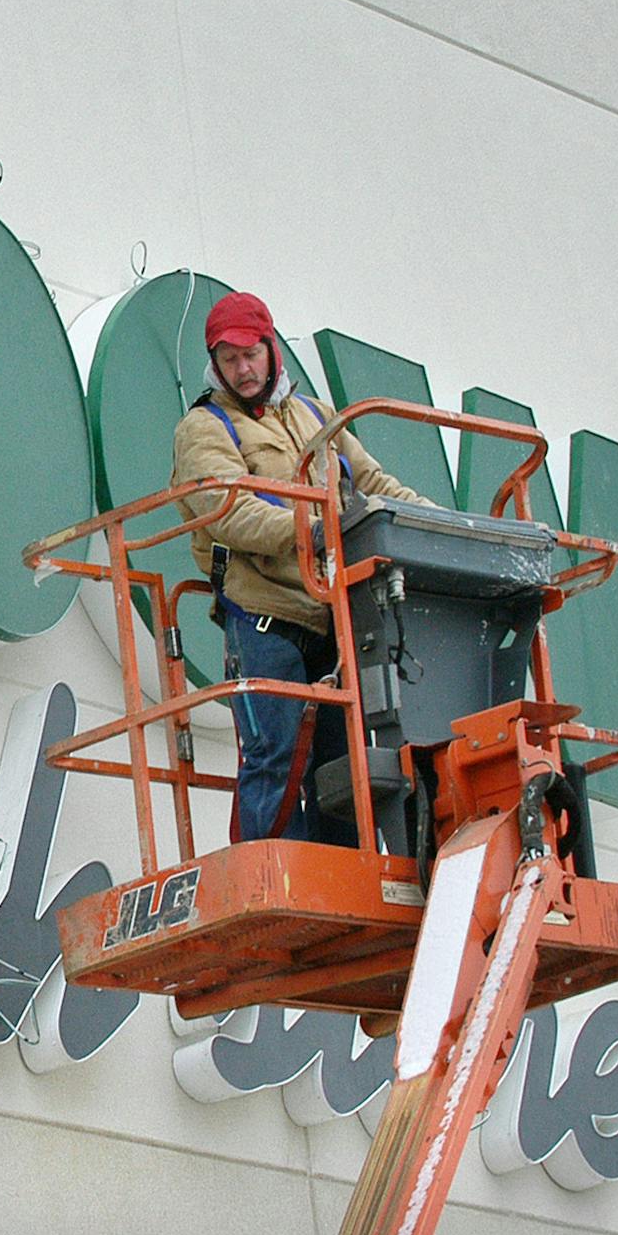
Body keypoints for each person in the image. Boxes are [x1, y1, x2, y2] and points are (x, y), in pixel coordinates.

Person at [171, 292, 432, 846]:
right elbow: (230, 512)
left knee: (345, 768)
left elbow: (375, 485)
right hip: (264, 616)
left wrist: (434, 524)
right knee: (277, 758)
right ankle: (273, 881)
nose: (242, 369)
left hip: (334, 620)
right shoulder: (205, 427)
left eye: (251, 355)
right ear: (214, 364)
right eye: (229, 358)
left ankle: (343, 879)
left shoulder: (315, 416)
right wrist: (314, 531)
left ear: (272, 350)